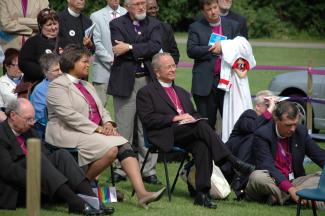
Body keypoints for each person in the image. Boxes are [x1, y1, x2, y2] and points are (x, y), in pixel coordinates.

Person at [46, 45, 165, 209]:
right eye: (84, 62)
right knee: (112, 149)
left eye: (89, 61)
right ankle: (82, 189)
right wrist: (99, 129)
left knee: (123, 143)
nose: (89, 65)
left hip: (92, 133)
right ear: (72, 63)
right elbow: (68, 116)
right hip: (68, 133)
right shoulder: (57, 85)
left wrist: (108, 123)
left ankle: (142, 193)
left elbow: (102, 110)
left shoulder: (87, 85)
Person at [136, 52, 255, 209]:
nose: (173, 69)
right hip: (165, 133)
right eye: (168, 67)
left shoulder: (182, 92)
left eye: (174, 66)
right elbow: (148, 119)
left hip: (188, 132)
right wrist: (174, 118)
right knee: (201, 127)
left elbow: (195, 114)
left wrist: (193, 118)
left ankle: (202, 194)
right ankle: (232, 162)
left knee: (202, 144)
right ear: (157, 71)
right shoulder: (146, 92)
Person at [0, 98, 114, 215]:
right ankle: (75, 202)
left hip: (44, 181)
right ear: (13, 115)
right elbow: (8, 171)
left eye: (33, 119)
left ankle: (94, 200)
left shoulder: (30, 131)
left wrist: (52, 175)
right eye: (28, 119)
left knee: (61, 155)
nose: (32, 123)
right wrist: (37, 179)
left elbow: (47, 156)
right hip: (17, 188)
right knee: (35, 159)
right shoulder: (1, 134)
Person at [107, 0, 162, 184]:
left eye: (144, 3)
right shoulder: (116, 23)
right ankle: (121, 169)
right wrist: (141, 46)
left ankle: (148, 170)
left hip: (148, 81)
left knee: (147, 126)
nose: (141, 7)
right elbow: (117, 48)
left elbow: (155, 46)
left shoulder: (154, 23)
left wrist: (130, 47)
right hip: (125, 81)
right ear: (127, 6)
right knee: (124, 128)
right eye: (137, 3)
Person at [245, 101, 325, 205]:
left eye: (295, 124)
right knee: (257, 177)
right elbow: (267, 166)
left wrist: (292, 187)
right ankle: (296, 196)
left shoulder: (300, 132)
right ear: (276, 119)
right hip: (272, 180)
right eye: (288, 125)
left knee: (321, 176)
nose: (292, 129)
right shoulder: (262, 134)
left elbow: (319, 155)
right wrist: (290, 189)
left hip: (295, 181)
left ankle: (281, 197)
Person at [187, 0, 240, 130]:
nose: (213, 11)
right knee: (206, 126)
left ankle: (228, 150)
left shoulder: (233, 25)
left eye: (215, 7)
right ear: (203, 12)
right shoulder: (196, 27)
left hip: (227, 81)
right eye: (209, 9)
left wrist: (225, 47)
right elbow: (191, 50)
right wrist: (212, 48)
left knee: (231, 123)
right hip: (205, 84)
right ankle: (207, 150)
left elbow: (241, 48)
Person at [223, 90, 276, 199]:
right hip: (231, 159)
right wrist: (269, 111)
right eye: (267, 105)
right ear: (257, 106)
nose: (271, 108)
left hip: (249, 161)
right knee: (254, 136)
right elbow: (252, 127)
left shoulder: (269, 122)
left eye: (273, 105)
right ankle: (239, 179)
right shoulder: (249, 114)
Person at [90, 0, 127, 107]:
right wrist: (112, 61)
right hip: (103, 70)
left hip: (125, 70)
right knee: (98, 108)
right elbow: (96, 43)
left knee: (125, 108)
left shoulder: (128, 13)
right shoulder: (96, 16)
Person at [18, 8, 70, 84]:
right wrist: (46, 73)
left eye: (55, 23)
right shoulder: (32, 42)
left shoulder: (66, 43)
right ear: (41, 26)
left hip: (62, 84)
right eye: (49, 25)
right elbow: (24, 63)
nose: (53, 28)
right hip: (38, 83)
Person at [30, 53, 62, 138]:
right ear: (45, 72)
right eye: (56, 70)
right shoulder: (40, 90)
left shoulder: (64, 83)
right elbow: (43, 119)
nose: (60, 73)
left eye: (61, 69)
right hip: (47, 131)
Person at [146, 0, 180, 64]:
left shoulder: (166, 27)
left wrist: (171, 65)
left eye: (155, 8)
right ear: (144, 9)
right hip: (148, 69)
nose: (153, 11)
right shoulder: (139, 28)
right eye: (150, 8)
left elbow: (174, 51)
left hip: (165, 69)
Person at [0, 48, 23, 122]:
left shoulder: (28, 78)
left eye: (21, 64)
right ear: (7, 66)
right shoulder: (1, 83)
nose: (20, 68)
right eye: (16, 65)